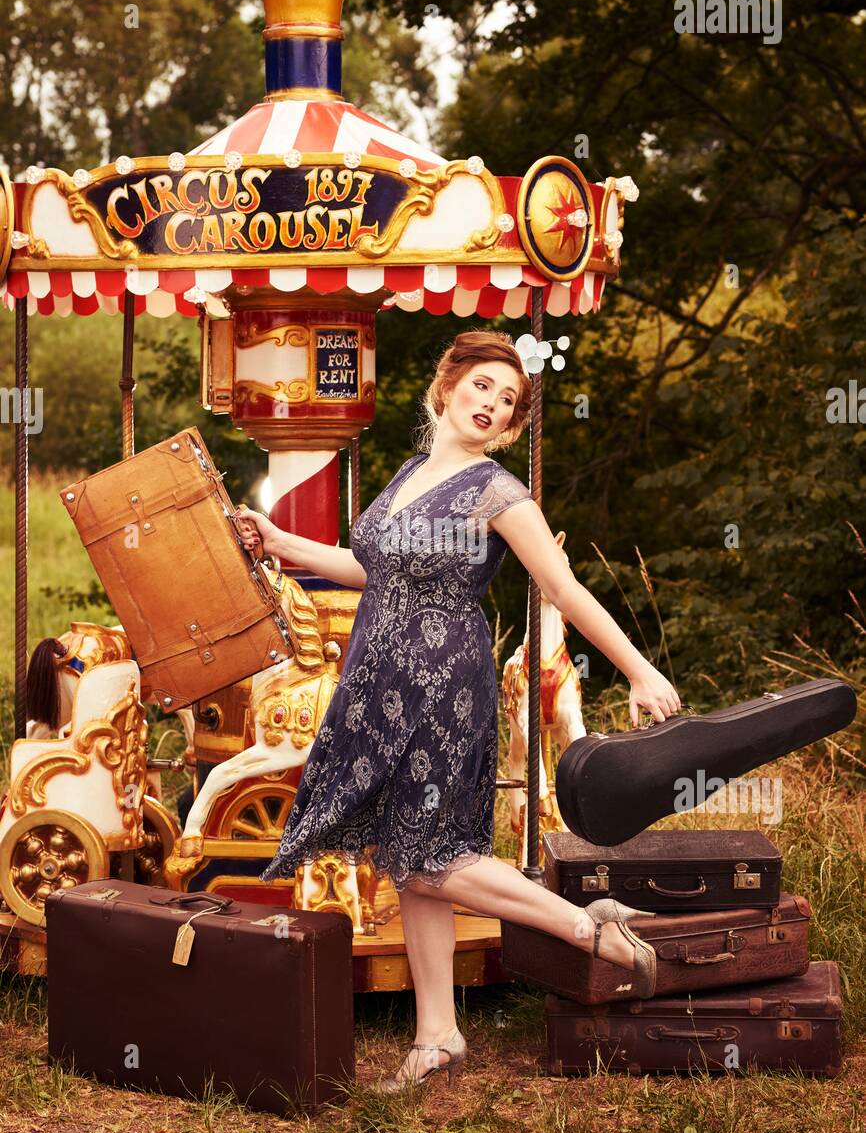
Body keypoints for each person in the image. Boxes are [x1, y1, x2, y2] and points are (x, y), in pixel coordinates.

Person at [235, 329, 680, 1092]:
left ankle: (586, 929)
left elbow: (563, 588)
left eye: (508, 401)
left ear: (509, 427)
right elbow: (367, 568)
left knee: (431, 853)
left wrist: (638, 670)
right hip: (378, 679)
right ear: (446, 389)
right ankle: (438, 1034)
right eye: (482, 386)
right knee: (409, 863)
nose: (493, 404)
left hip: (444, 683)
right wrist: (281, 541)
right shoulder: (409, 473)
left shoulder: (497, 492)